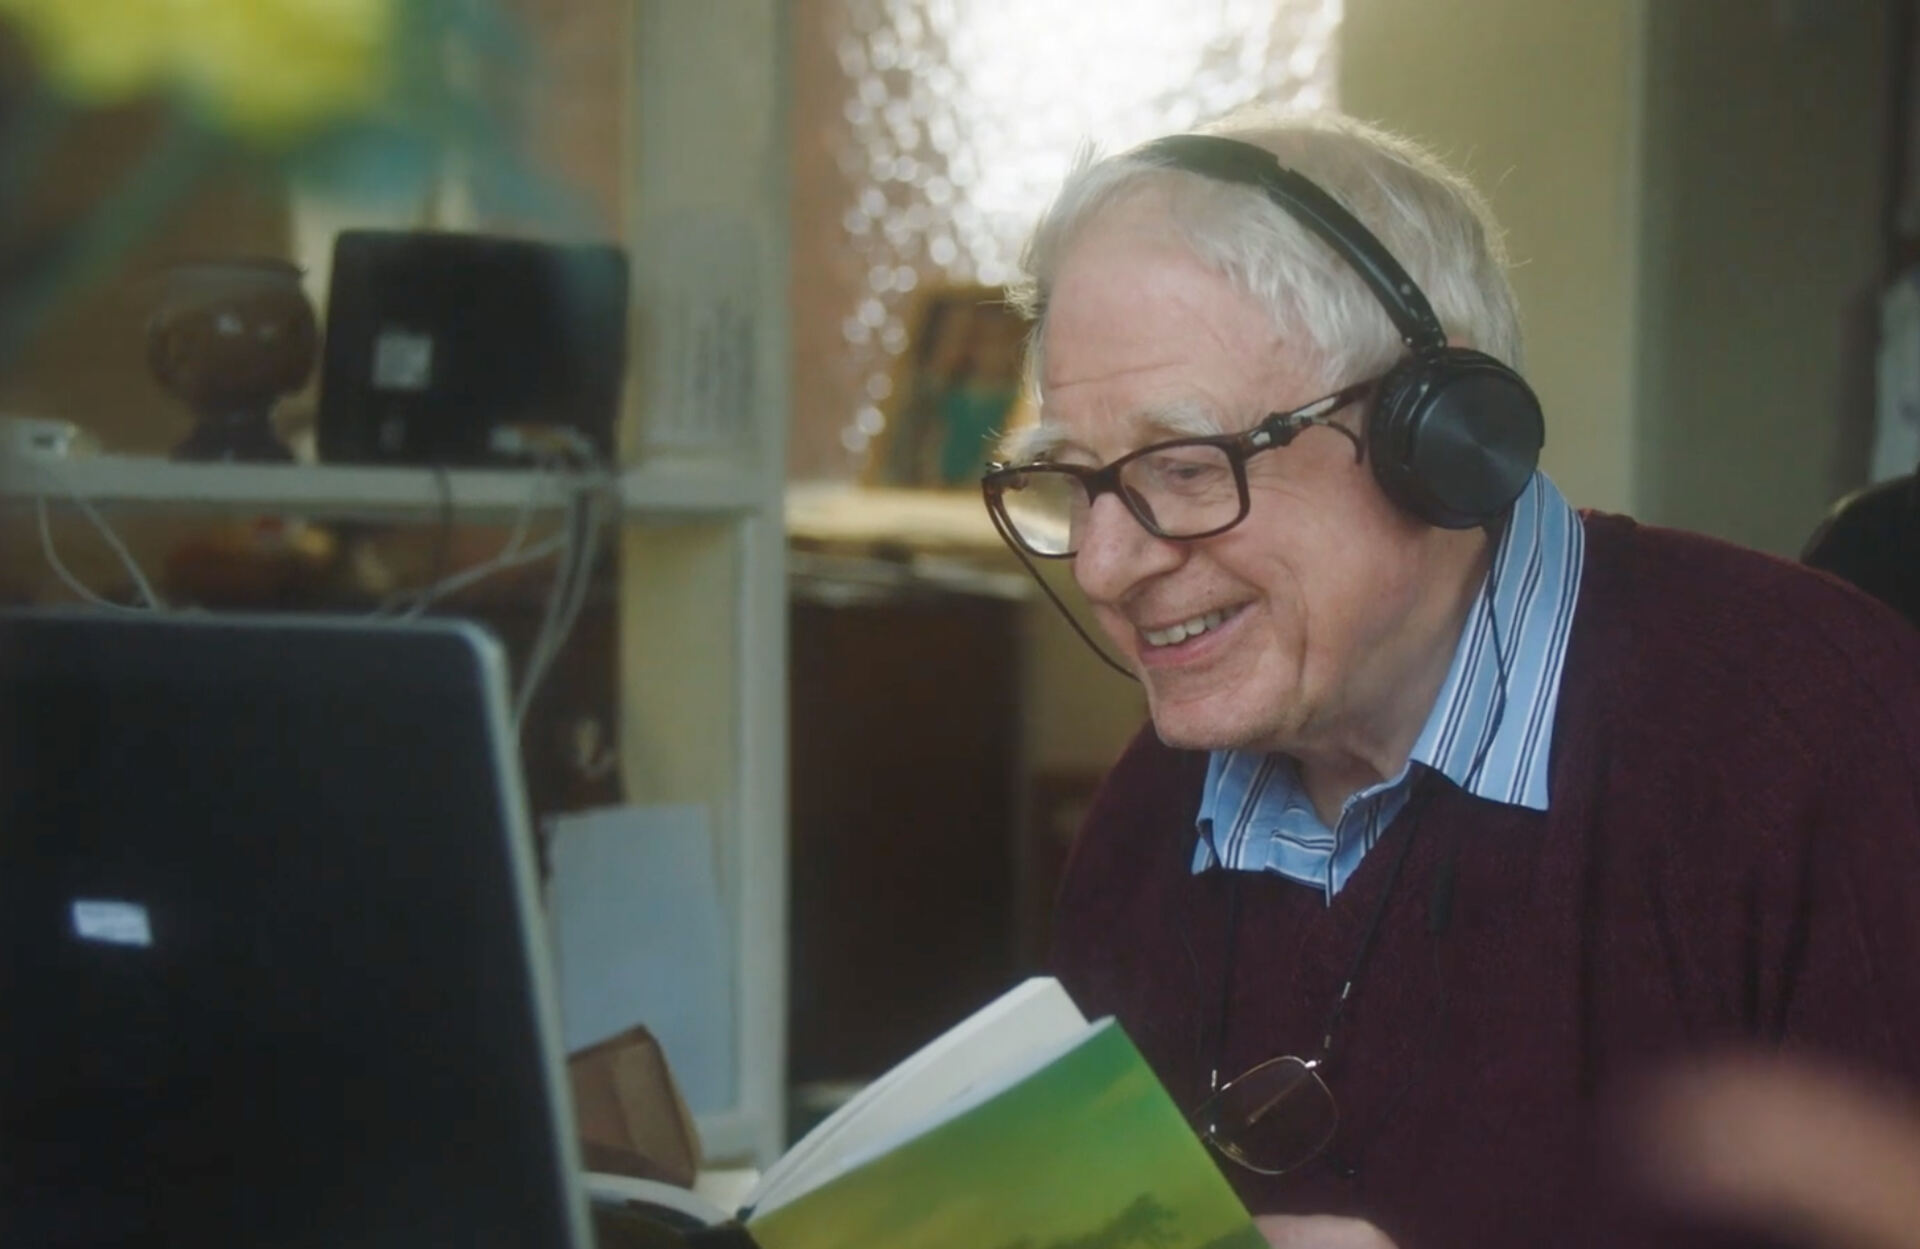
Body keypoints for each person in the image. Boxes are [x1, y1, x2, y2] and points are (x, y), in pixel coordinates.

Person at [979, 110, 1920, 1249]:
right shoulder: (1149, 816)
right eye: (1074, 483)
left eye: (1184, 468)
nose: (1104, 562)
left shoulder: (1822, 735)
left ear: (1441, 441)